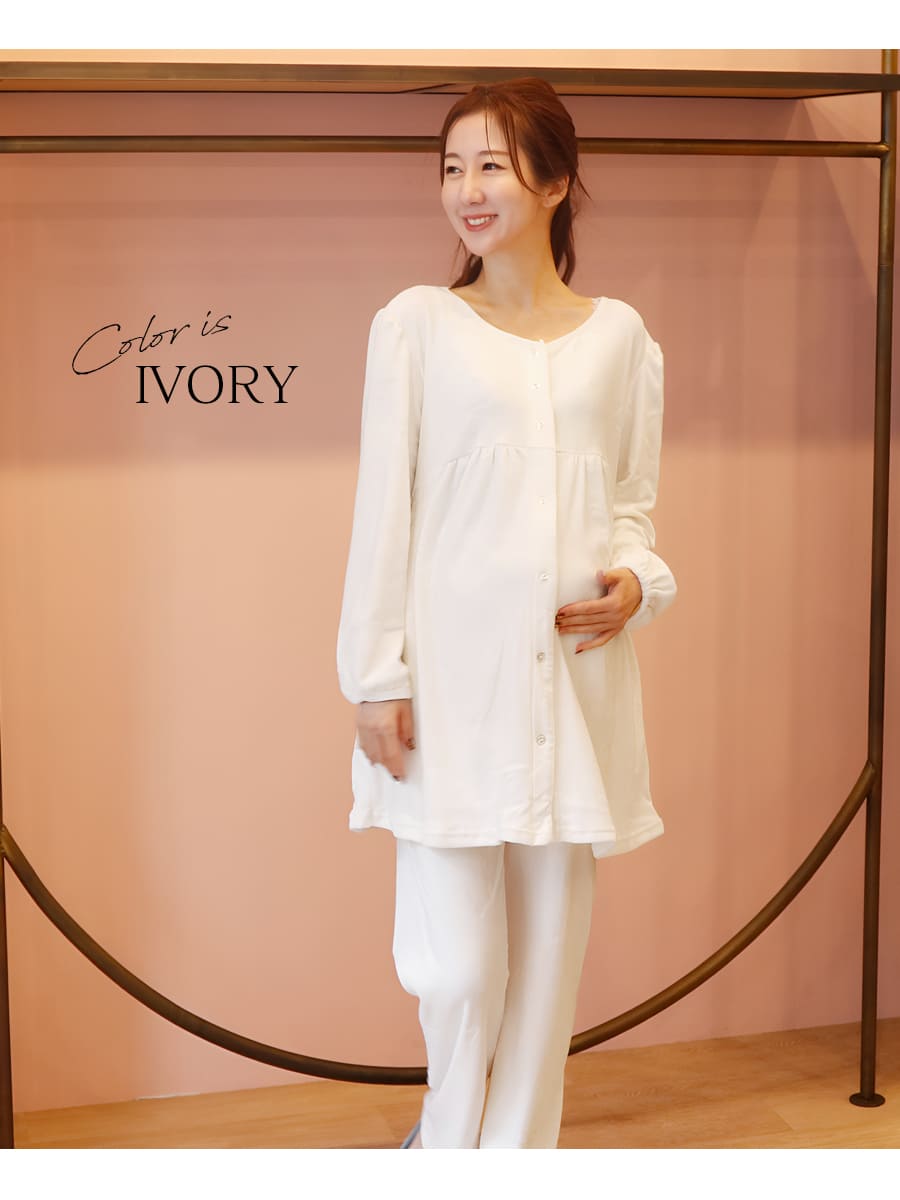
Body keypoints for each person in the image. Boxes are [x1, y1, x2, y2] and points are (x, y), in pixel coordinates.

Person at [336, 76, 677, 1149]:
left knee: (548, 976)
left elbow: (630, 507)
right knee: (457, 969)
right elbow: (382, 509)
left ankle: (517, 1163)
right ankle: (446, 1148)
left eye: (492, 164)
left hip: (573, 690)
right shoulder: (418, 325)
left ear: (556, 181)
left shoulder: (620, 338)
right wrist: (374, 678)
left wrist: (639, 582)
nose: (467, 190)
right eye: (452, 168)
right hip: (449, 689)